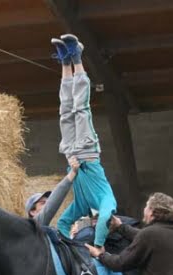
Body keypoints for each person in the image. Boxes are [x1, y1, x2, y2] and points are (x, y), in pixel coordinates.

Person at [50, 33, 117, 248]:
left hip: (71, 154)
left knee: (65, 111)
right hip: (87, 151)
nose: (96, 220)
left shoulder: (81, 205)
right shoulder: (107, 200)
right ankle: (77, 57)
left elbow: (62, 223)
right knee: (80, 108)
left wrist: (70, 247)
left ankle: (65, 62)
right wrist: (97, 245)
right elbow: (106, 216)